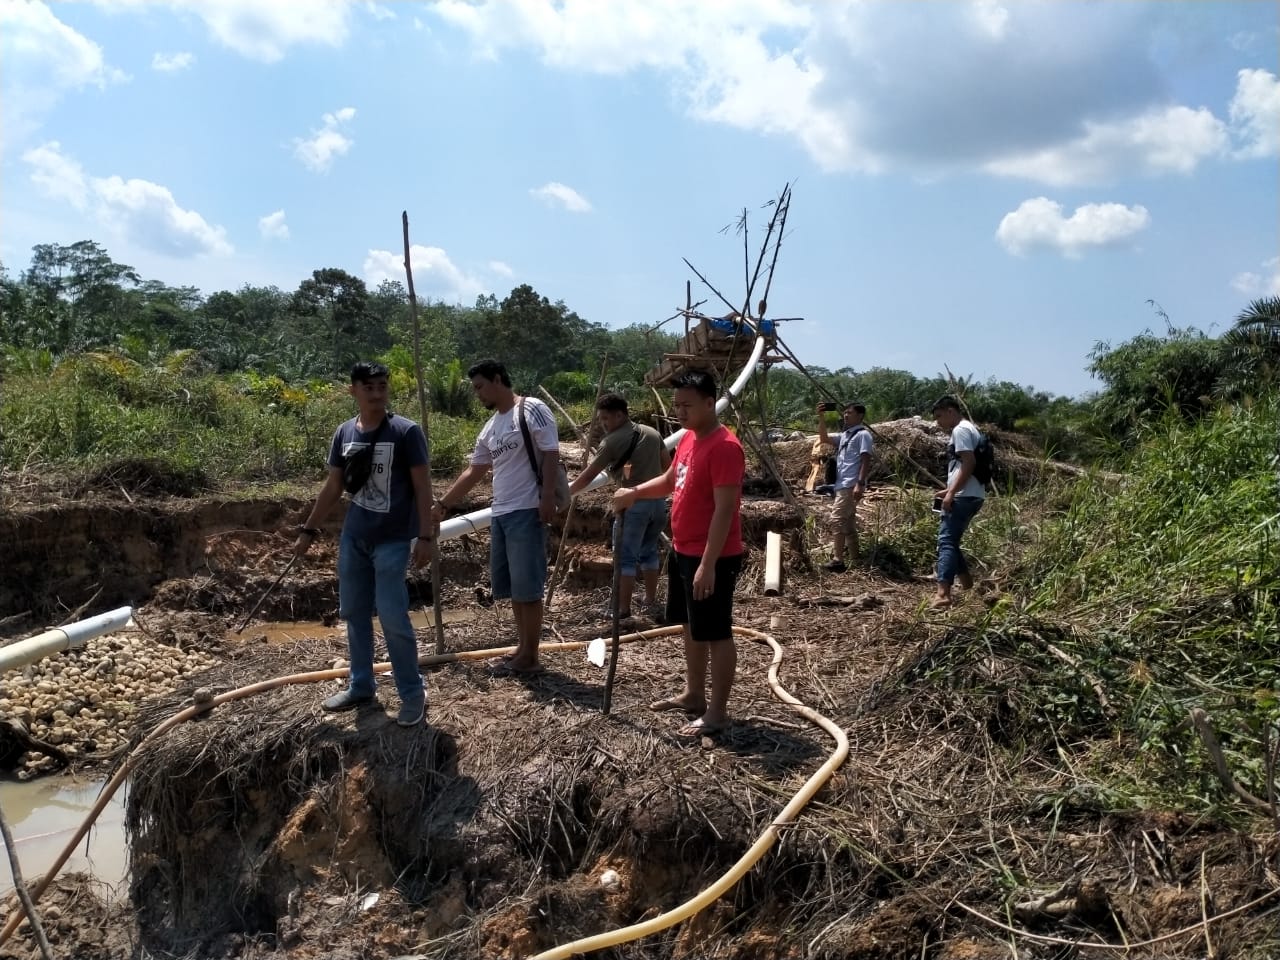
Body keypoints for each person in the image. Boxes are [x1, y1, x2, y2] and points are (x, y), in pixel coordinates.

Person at [294, 361, 434, 727]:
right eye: (369, 387)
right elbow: (333, 487)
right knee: (354, 613)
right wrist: (308, 530)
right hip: (355, 537)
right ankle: (360, 685)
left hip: (392, 539)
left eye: (382, 386)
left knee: (391, 615)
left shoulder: (406, 432)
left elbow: (423, 488)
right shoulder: (344, 433)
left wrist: (426, 535)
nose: (377, 393)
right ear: (353, 390)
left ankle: (411, 693)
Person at [613, 369, 744, 736]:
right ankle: (693, 694)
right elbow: (672, 481)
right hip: (685, 550)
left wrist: (708, 564)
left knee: (716, 632)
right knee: (691, 625)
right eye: (676, 406)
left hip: (712, 556)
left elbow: (724, 510)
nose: (680, 413)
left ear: (709, 402)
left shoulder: (725, 447)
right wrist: (635, 492)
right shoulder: (688, 439)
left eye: (687, 405)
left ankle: (717, 712)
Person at [433, 359, 560, 676]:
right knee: (516, 587)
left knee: (528, 587)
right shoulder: (491, 427)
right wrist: (443, 504)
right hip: (502, 511)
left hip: (527, 508)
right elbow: (474, 470)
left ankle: (530, 656)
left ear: (498, 379)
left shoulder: (531, 409)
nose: (477, 394)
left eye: (480, 386)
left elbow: (551, 451)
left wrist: (545, 497)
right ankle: (523, 647)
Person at [568, 393, 671, 622]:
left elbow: (587, 477)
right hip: (657, 504)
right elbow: (667, 466)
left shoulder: (611, 441)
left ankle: (622, 610)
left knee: (625, 559)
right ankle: (650, 601)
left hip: (633, 505)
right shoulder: (652, 433)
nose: (603, 424)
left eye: (606, 418)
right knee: (649, 551)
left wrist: (564, 493)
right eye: (601, 419)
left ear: (619, 415)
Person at [930, 395, 985, 608]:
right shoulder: (971, 429)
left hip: (963, 497)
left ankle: (943, 594)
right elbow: (965, 467)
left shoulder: (960, 430)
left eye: (939, 416)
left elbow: (969, 462)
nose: (938, 422)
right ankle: (969, 586)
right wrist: (947, 490)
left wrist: (952, 494)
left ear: (951, 411)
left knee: (945, 542)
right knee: (951, 542)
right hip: (972, 494)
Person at [816, 401, 873, 571]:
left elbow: (866, 459)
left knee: (836, 520)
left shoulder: (863, 435)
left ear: (860, 416)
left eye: (850, 412)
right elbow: (824, 439)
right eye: (845, 412)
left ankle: (837, 560)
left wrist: (860, 484)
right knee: (848, 524)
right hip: (842, 484)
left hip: (850, 485)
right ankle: (856, 559)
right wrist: (821, 417)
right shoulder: (846, 435)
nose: (846, 415)